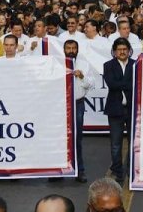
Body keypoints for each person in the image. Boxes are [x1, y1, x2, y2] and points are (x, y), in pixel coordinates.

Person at [103, 38, 135, 184]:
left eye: (124, 49)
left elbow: (136, 85)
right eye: (119, 49)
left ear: (129, 50)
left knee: (132, 142)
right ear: (114, 52)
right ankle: (118, 171)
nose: (122, 52)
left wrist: (122, 84)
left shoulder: (136, 65)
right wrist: (127, 84)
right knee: (116, 144)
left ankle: (130, 169)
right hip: (115, 109)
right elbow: (111, 84)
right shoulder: (108, 65)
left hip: (132, 109)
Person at [64, 39, 95, 183]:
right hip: (61, 105)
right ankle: (57, 171)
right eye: (68, 48)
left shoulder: (84, 64)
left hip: (77, 104)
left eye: (73, 48)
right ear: (64, 49)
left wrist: (81, 76)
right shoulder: (57, 63)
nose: (71, 50)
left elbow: (91, 84)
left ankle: (79, 171)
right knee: (60, 138)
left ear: (77, 49)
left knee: (77, 138)